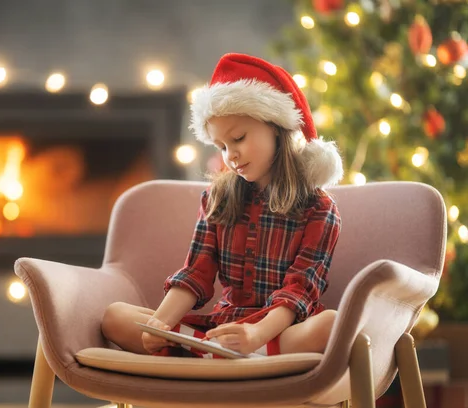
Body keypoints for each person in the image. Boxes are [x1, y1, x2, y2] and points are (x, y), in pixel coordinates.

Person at [102, 53, 344, 358]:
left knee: (331, 325)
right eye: (222, 146)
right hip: (222, 330)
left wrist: (256, 334)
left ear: (276, 128)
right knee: (116, 316)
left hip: (277, 331)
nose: (231, 155)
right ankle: (222, 358)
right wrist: (159, 323)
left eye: (239, 138)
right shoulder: (218, 199)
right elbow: (196, 274)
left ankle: (213, 361)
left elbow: (300, 289)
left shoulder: (319, 209)